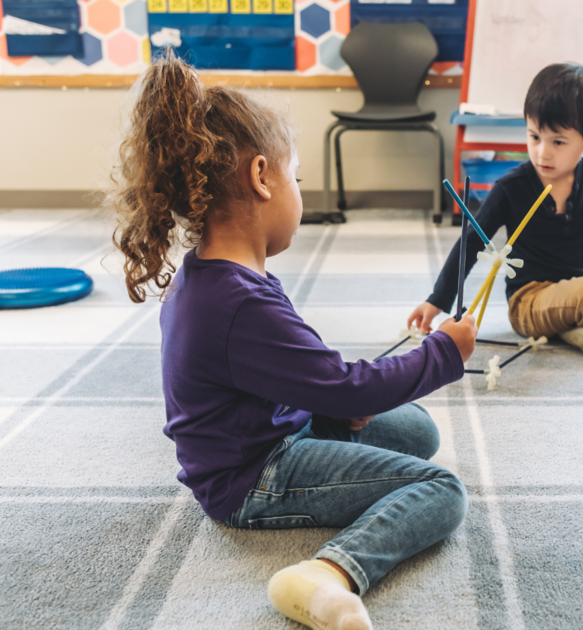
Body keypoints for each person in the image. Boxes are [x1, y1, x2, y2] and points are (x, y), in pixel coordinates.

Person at [107, 50, 477, 630]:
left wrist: (327, 404)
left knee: (417, 430)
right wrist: (443, 353)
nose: (300, 191)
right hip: (252, 477)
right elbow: (346, 387)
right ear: (261, 177)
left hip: (271, 429)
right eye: (296, 176)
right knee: (442, 489)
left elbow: (296, 377)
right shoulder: (237, 302)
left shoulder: (220, 275)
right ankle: (329, 572)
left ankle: (333, 479)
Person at [409, 63, 583, 356]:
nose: (543, 152)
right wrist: (437, 300)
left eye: (559, 141)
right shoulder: (511, 187)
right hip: (529, 302)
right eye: (534, 137)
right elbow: (470, 242)